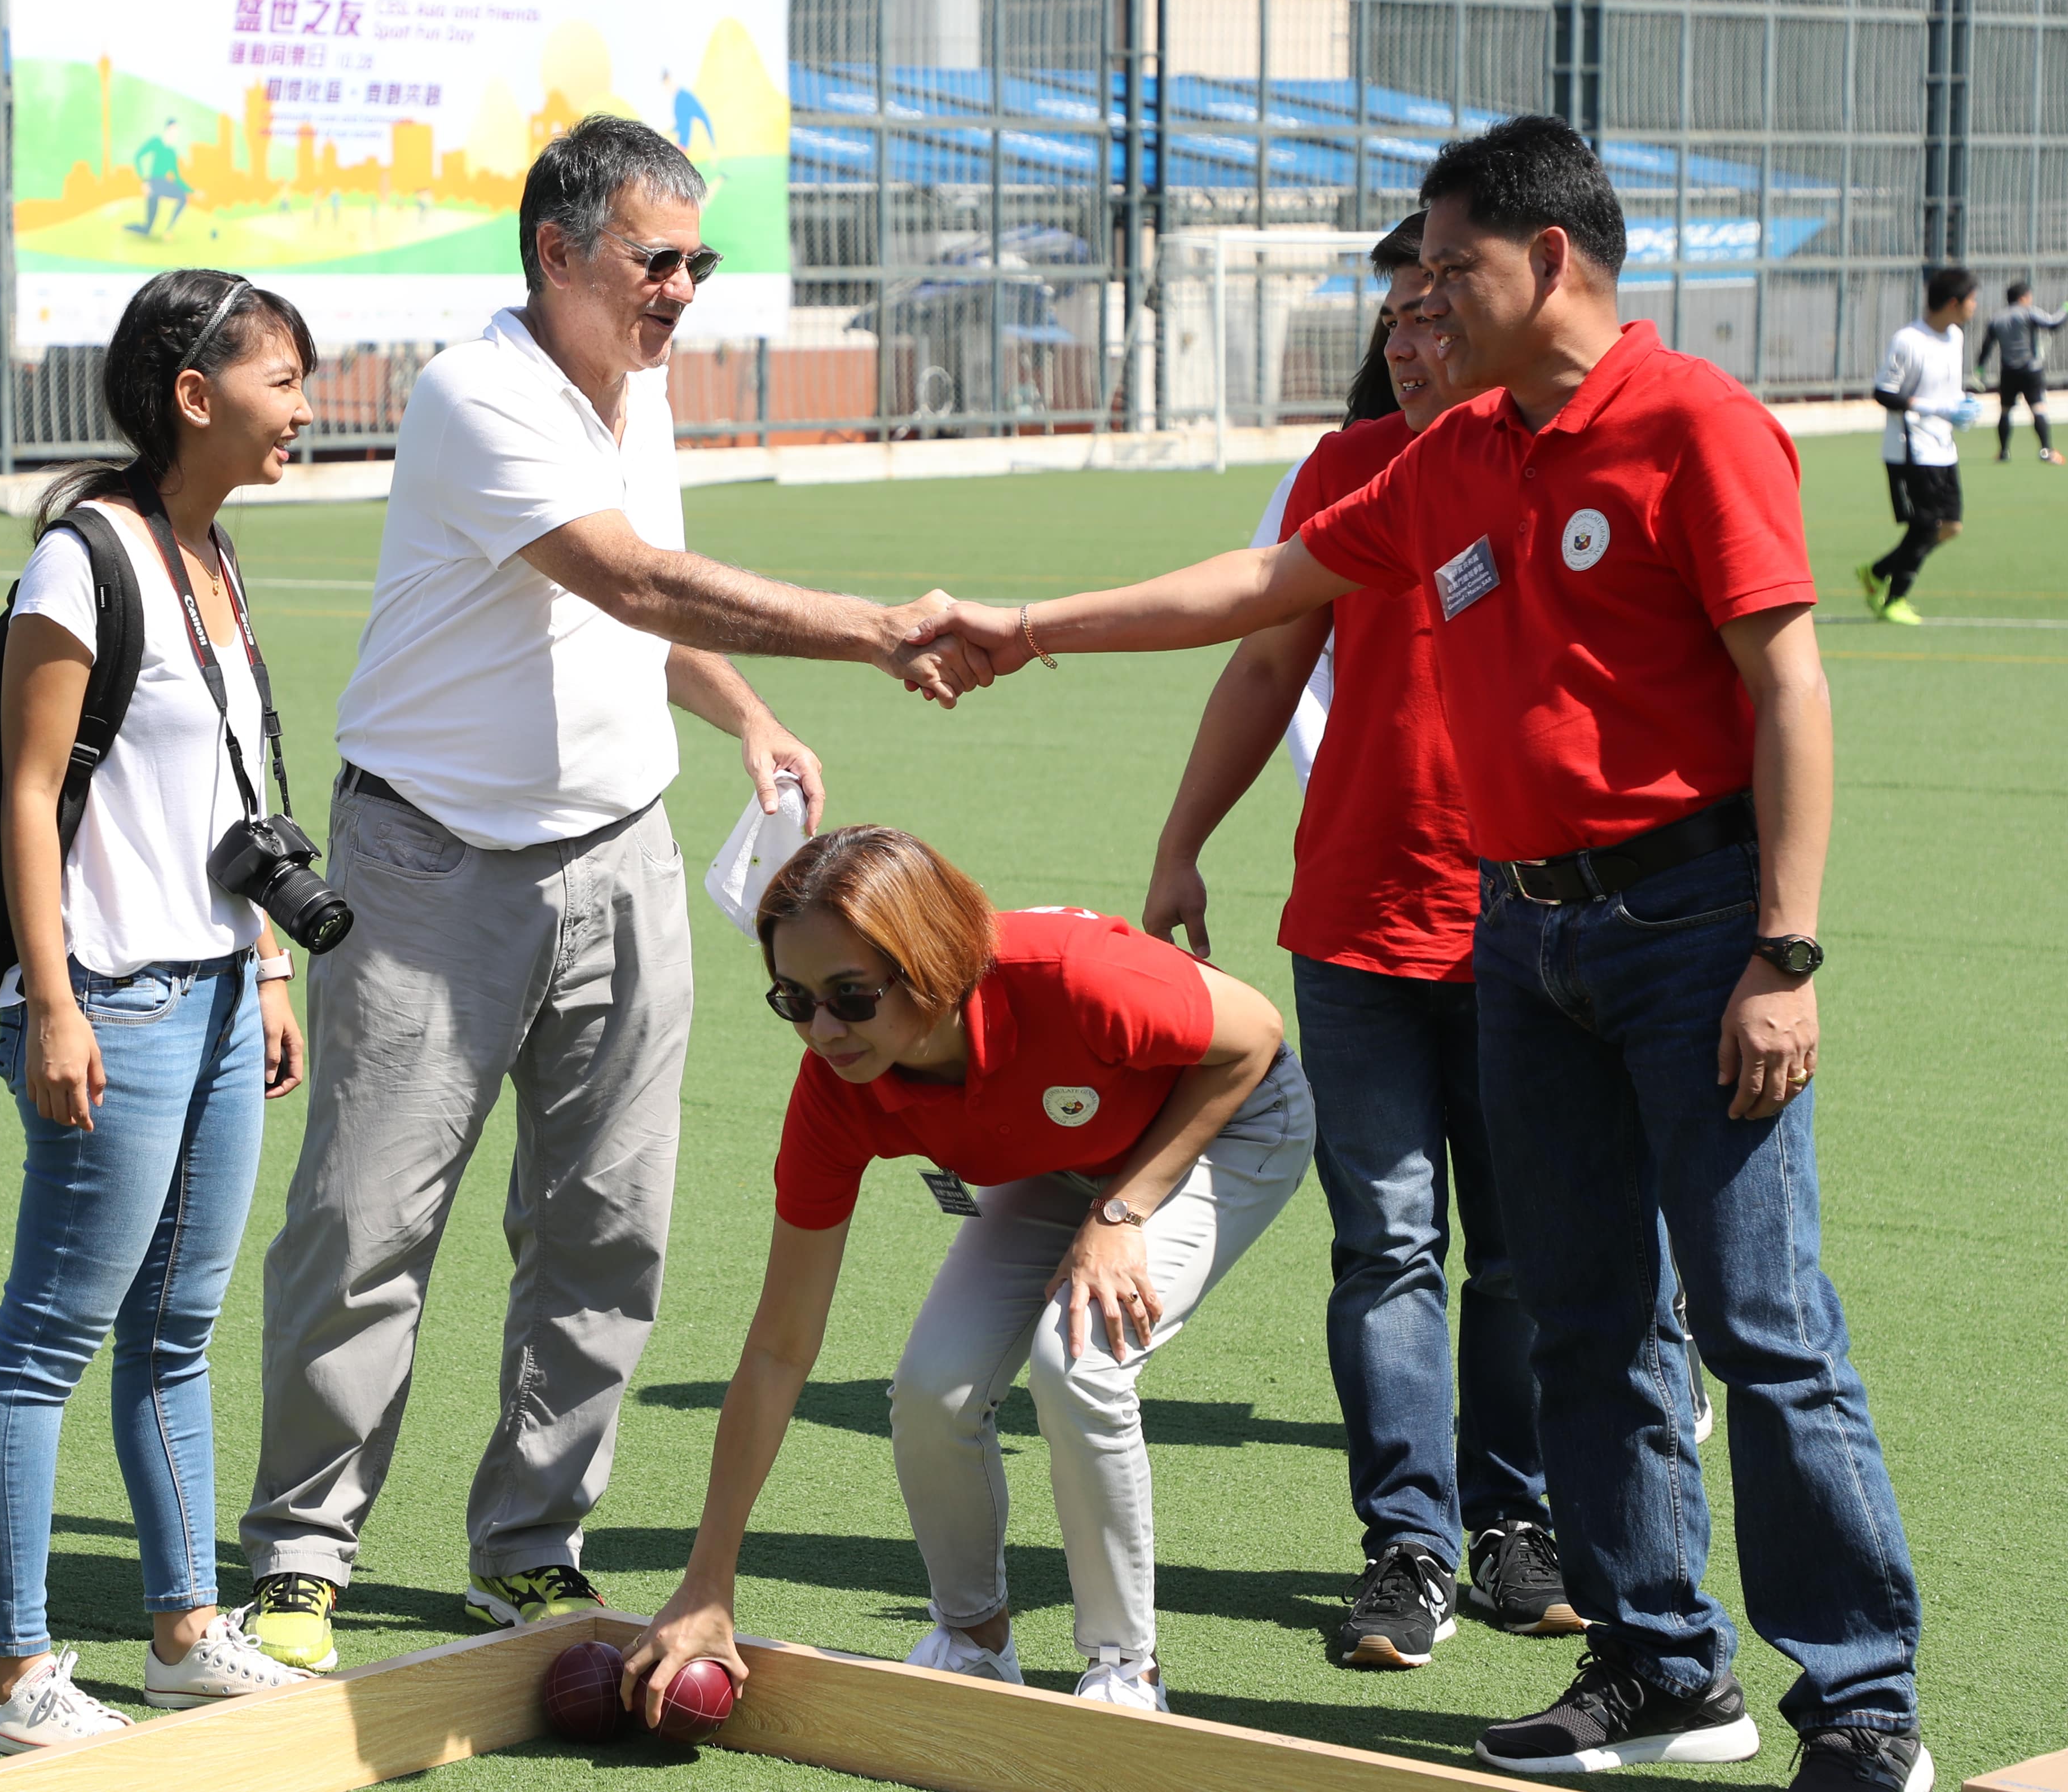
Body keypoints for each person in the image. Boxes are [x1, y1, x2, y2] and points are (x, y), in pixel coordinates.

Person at [928, 117, 1929, 1792]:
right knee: (1586, 1316)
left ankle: (1859, 1702)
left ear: (1553, 259)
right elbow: (1262, 586)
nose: (1426, 298)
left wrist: (1787, 948)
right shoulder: (1458, 453)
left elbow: (1791, 692)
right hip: (1517, 929)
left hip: (1694, 927)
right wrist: (1029, 631)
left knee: (1761, 1323)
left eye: (1452, 266)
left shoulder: (1698, 426)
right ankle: (1665, 1666)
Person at [238, 116, 989, 1673]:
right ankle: (302, 1561)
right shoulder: (475, 394)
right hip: (433, 862)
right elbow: (629, 579)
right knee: (367, 1221)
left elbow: (646, 609)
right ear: (559, 256)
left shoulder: (635, 393)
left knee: (608, 1227)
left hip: (622, 856)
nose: (682, 291)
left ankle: (531, 1546)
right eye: (660, 261)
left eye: (699, 262)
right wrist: (872, 630)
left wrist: (746, 716)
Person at [1145, 215, 1580, 1671]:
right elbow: (1266, 657)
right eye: (1391, 317)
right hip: (1356, 932)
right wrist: (1180, 840)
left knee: (1518, 1261)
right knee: (1384, 1248)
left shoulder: (1564, 469)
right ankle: (1408, 1545)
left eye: (1434, 314)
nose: (1404, 340)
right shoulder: (1340, 475)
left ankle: (1519, 1523)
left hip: (1533, 930)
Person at [619, 826, 1312, 1715]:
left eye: (853, 996)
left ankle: (1121, 1671)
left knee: (1081, 1364)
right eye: (793, 998)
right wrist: (706, 1585)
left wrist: (1122, 1211)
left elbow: (1253, 1038)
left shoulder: (1076, 977)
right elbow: (781, 1346)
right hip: (1058, 1156)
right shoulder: (837, 1087)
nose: (823, 1030)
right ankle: (973, 1640)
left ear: (933, 963)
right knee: (934, 1388)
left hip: (1227, 1121)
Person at [0, 270, 322, 1753]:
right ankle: (15, 1679)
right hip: (112, 994)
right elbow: (29, 798)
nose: (304, 408)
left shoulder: (213, 555)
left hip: (225, 989)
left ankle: (183, 1636)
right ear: (194, 393)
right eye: (284, 379)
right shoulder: (85, 557)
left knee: (180, 1328)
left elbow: (222, 796)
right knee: (52, 1336)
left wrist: (274, 966)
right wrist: (53, 1005)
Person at [1858, 268, 1978, 628]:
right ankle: (1894, 600)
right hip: (1910, 449)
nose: (1975, 307)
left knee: (1951, 526)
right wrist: (1934, 408)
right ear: (1954, 303)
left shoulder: (1955, 337)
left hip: (1944, 446)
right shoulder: (1908, 340)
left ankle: (1877, 571)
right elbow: (1883, 393)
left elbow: (1947, 389)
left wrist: (1962, 406)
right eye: (1972, 300)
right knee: (1926, 526)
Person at [1975, 279, 2068, 465]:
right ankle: (2046, 451)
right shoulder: (2029, 313)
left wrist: (1979, 369)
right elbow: (2053, 324)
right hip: (2030, 370)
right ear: (2023, 297)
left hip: (2008, 372)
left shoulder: (1997, 318)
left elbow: (1987, 346)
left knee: (2005, 411)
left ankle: (2004, 452)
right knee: (2038, 408)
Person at [134, 120, 191, 236]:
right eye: (173, 130)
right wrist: (144, 183)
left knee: (183, 197)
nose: (175, 134)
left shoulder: (172, 152)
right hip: (153, 183)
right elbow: (138, 157)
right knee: (147, 229)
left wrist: (193, 191)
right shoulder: (156, 142)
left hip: (163, 184)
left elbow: (177, 178)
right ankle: (124, 228)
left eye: (177, 132)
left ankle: (168, 230)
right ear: (167, 130)